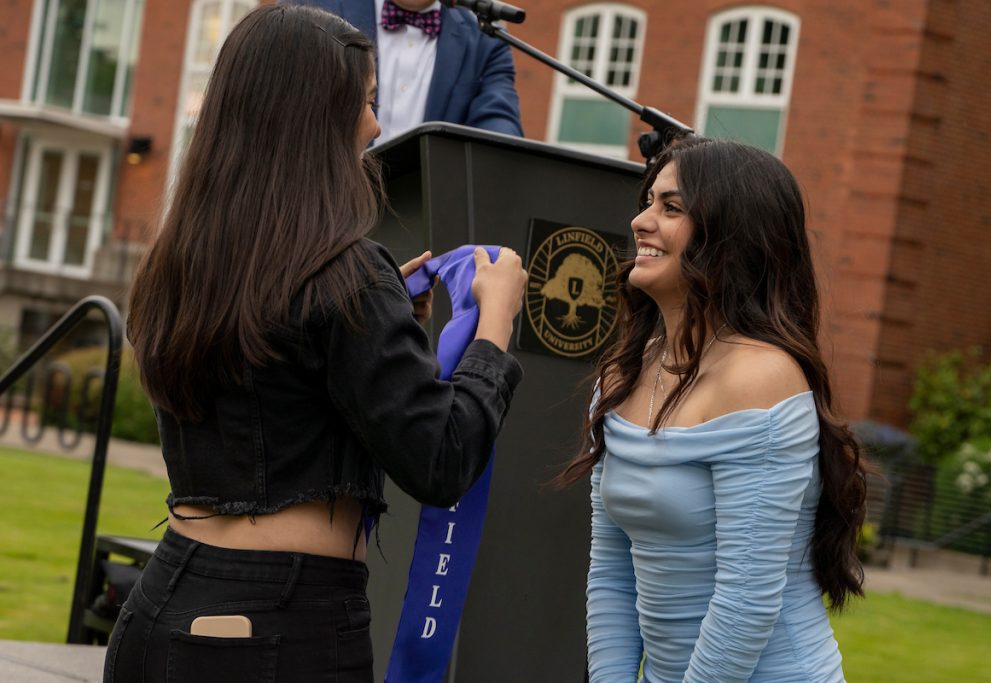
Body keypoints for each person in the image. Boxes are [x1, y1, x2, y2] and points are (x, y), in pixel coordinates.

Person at [103, 5, 526, 682]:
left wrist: (391, 326)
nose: (376, 125)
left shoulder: (177, 259)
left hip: (164, 605)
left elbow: (281, 390)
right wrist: (495, 330)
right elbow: (440, 458)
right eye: (363, 101)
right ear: (313, 118)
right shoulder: (345, 274)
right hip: (277, 628)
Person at [557, 136, 868, 682]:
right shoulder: (623, 373)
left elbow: (745, 602)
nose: (641, 222)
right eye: (648, 202)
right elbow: (610, 571)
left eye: (671, 208)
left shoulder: (762, 378)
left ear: (731, 238)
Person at [292, 0, 522, 143]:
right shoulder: (312, 6)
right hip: (324, 202)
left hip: (427, 208)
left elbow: (499, 123)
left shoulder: (487, 39)